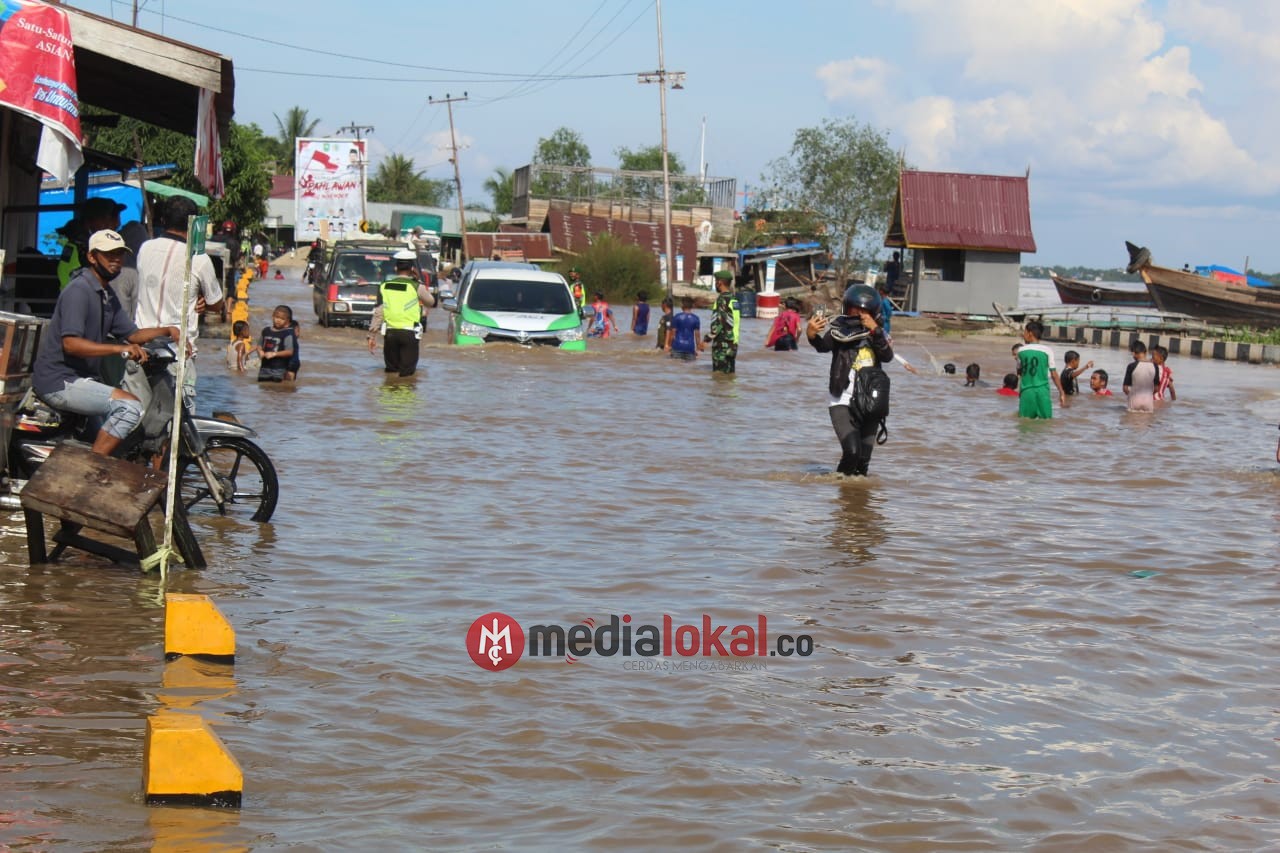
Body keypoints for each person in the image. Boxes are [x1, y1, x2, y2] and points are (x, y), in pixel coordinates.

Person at [31, 230, 181, 455]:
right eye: (109, 254)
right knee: (129, 407)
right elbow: (71, 344)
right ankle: (91, 472)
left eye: (120, 254)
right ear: (92, 257)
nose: (116, 260)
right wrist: (119, 349)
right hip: (59, 381)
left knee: (122, 448)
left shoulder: (106, 294)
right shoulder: (79, 290)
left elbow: (132, 334)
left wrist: (168, 330)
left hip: (83, 379)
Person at [133, 196, 224, 408]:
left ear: (163, 220)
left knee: (136, 412)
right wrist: (202, 300)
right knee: (180, 421)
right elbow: (216, 304)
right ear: (195, 224)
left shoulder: (145, 249)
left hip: (141, 344)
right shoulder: (198, 259)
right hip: (178, 351)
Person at [807, 284, 894, 476]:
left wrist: (876, 331)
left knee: (863, 462)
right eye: (855, 309)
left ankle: (855, 500)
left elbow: (887, 356)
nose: (860, 314)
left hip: (870, 403)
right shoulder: (839, 331)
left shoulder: (877, 334)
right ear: (848, 308)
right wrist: (811, 335)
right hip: (842, 400)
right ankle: (842, 492)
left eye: (864, 310)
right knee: (852, 452)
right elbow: (822, 346)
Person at [367, 249, 433, 376]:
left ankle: (389, 395)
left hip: (390, 334)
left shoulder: (384, 286)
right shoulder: (416, 286)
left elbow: (378, 313)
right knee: (406, 376)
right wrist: (418, 281)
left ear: (396, 268)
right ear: (412, 268)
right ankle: (404, 396)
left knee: (391, 373)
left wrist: (372, 336)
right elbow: (431, 302)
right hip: (410, 335)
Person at [1016, 319, 1064, 419]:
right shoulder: (1047, 351)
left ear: (1030, 333)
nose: (1023, 335)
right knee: (1046, 425)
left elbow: (1020, 372)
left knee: (1024, 426)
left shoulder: (1020, 351)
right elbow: (1054, 374)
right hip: (1042, 392)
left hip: (1026, 392)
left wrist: (1020, 390)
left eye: (1024, 332)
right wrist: (1061, 391)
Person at [707, 269, 740, 373]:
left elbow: (719, 322)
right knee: (729, 377)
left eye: (716, 281)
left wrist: (706, 340)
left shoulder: (722, 299)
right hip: (733, 344)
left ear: (719, 282)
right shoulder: (734, 299)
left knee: (719, 378)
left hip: (722, 344)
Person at [257, 305, 296, 383]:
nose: (278, 320)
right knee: (263, 388)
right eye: (277, 317)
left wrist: (275, 354)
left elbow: (289, 352)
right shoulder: (266, 331)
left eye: (282, 319)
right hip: (264, 368)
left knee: (276, 391)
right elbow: (259, 345)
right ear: (272, 317)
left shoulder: (287, 334)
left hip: (278, 370)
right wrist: (260, 351)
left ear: (287, 321)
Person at [1122, 340, 1157, 412]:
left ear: (1134, 353)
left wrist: (1131, 395)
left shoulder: (1131, 366)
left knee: (1131, 421)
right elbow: (1156, 388)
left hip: (1134, 400)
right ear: (1145, 352)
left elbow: (1125, 388)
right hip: (1148, 402)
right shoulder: (1155, 366)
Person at [666, 296, 703, 361]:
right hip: (690, 348)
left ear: (682, 305)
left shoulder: (677, 317)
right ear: (692, 306)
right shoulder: (696, 318)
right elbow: (697, 336)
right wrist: (698, 349)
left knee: (676, 368)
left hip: (677, 347)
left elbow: (672, 335)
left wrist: (669, 346)